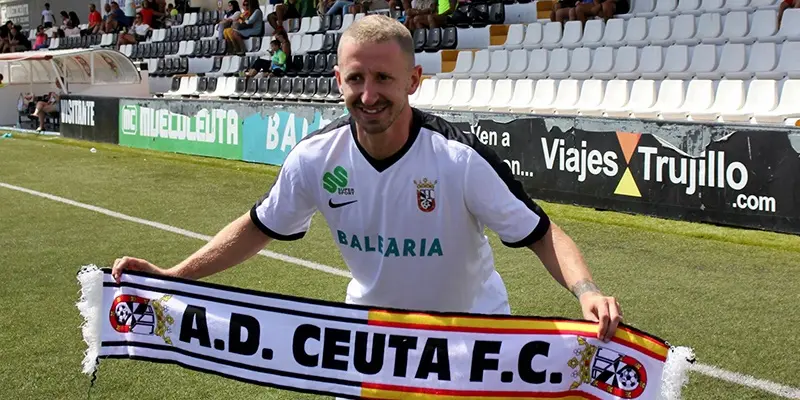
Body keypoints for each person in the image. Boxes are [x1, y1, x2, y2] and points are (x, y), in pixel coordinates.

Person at [112, 14, 622, 344]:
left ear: (414, 81)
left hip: (471, 337)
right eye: (356, 78)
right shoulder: (315, 157)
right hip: (373, 342)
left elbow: (541, 232)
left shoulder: (459, 159)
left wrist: (586, 291)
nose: (369, 93)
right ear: (339, 81)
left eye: (383, 78)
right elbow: (259, 226)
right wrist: (174, 276)